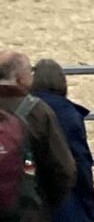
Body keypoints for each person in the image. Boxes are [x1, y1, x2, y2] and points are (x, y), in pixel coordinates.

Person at [0, 51, 76, 220]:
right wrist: (43, 206)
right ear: (21, 79)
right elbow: (64, 170)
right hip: (26, 212)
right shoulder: (38, 112)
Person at [31, 59, 94, 221]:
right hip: (64, 202)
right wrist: (90, 205)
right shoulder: (70, 115)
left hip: (30, 199)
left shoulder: (23, 109)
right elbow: (81, 163)